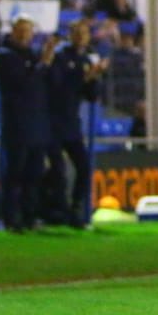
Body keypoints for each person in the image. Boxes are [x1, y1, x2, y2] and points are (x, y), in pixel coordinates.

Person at [0, 14, 57, 231]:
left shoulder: (31, 55)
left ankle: (30, 218)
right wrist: (43, 64)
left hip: (36, 125)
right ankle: (12, 219)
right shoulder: (6, 56)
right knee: (16, 174)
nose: (24, 35)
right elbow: (23, 83)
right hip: (17, 125)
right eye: (21, 31)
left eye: (28, 31)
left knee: (34, 174)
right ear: (13, 31)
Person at [45, 19, 107, 227]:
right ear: (71, 35)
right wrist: (85, 76)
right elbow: (59, 87)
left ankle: (76, 208)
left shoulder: (86, 60)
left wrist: (94, 78)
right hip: (53, 122)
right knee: (58, 170)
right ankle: (60, 211)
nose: (81, 36)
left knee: (84, 166)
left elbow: (91, 95)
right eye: (77, 32)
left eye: (84, 33)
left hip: (72, 124)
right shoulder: (62, 58)